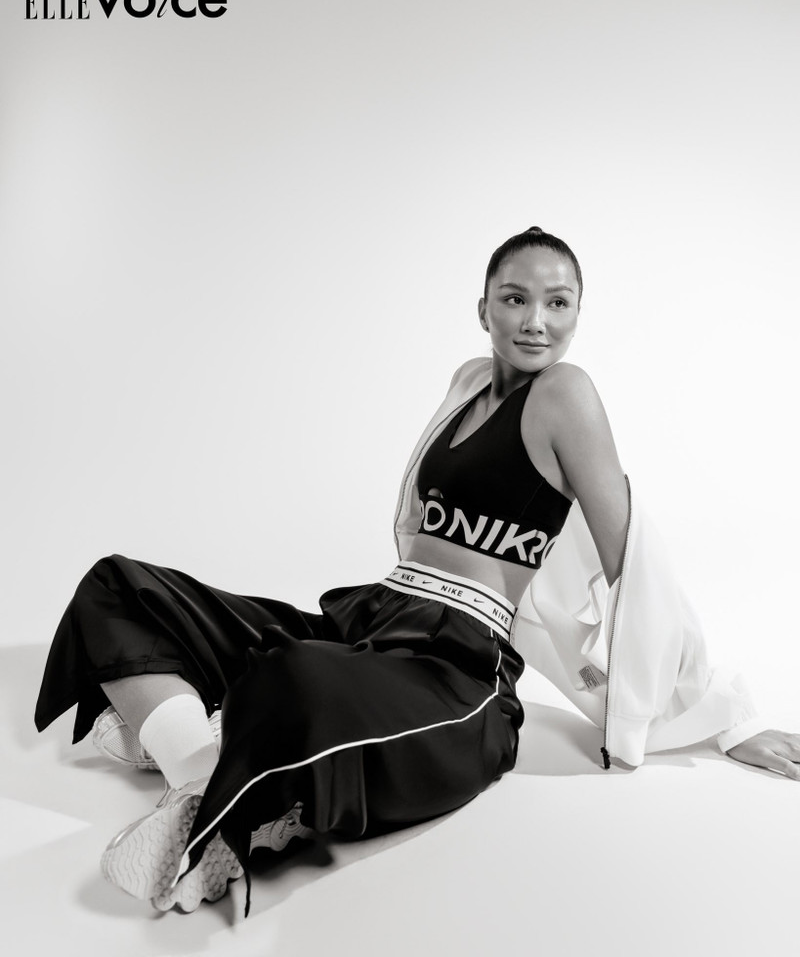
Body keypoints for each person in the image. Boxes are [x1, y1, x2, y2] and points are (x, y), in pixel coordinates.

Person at [34, 226, 800, 916]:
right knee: (119, 585)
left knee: (295, 676)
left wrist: (727, 718)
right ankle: (202, 771)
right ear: (483, 309)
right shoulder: (467, 382)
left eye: (558, 302)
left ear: (578, 313)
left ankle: (207, 776)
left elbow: (634, 562)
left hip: (455, 666)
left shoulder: (566, 395)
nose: (536, 320)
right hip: (374, 616)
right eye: (516, 298)